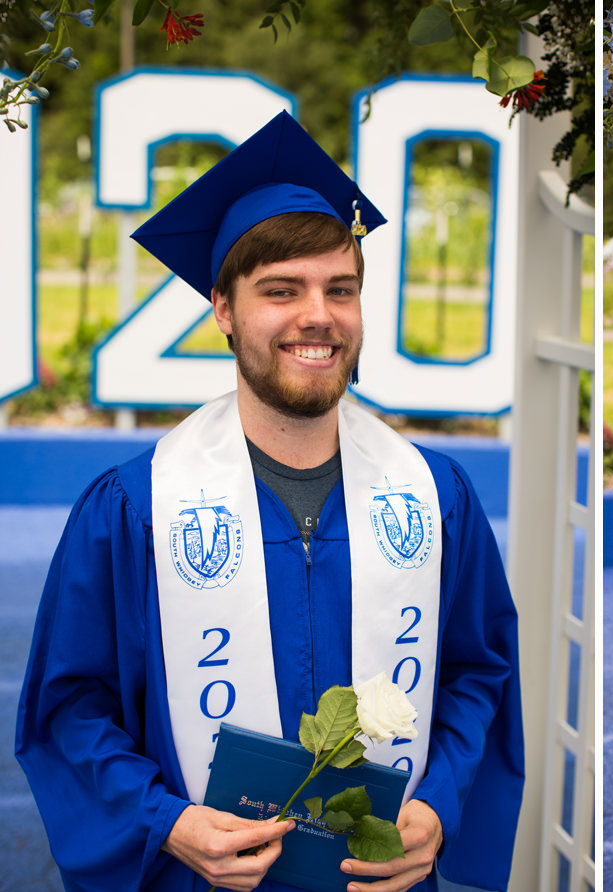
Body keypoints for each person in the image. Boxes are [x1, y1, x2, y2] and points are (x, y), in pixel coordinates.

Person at [14, 111, 524, 892]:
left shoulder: (435, 497)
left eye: (340, 290)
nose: (318, 315)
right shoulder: (136, 508)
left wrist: (439, 805)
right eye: (281, 290)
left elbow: (475, 672)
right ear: (223, 308)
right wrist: (168, 822)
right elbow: (71, 707)